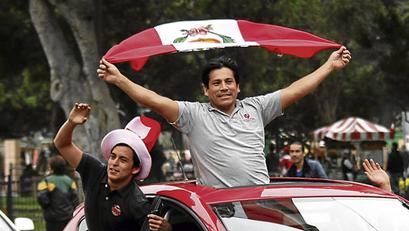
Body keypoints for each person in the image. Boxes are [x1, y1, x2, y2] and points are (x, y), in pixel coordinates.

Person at [98, 47, 351, 188]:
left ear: (238, 86)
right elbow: (153, 99)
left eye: (229, 81)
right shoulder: (193, 115)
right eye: (216, 83)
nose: (224, 87)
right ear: (205, 90)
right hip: (218, 212)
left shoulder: (257, 107)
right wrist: (119, 79)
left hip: (259, 201)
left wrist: (329, 65)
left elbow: (298, 89)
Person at [54, 103, 172, 231]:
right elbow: (62, 144)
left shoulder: (138, 204)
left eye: (123, 160)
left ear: (135, 169)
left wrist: (168, 230)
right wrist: (71, 123)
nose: (114, 163)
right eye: (113, 156)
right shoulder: (95, 171)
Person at [36, 155, 79, 231]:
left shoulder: (46, 181)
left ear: (51, 167)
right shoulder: (70, 181)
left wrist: (48, 207)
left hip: (52, 219)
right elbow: (75, 200)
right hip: (67, 218)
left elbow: (41, 197)